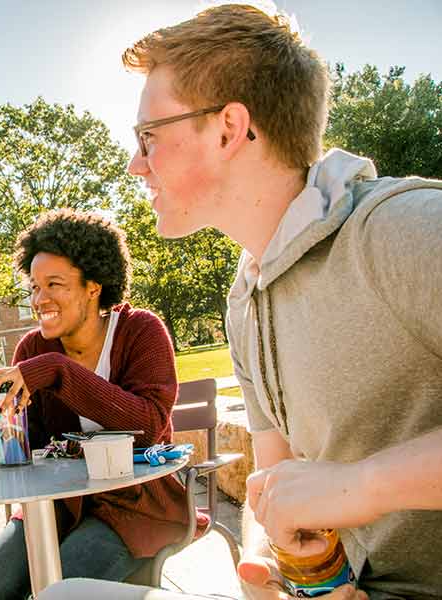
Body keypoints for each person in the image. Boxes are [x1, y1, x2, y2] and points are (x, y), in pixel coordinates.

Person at [118, 4, 441, 599]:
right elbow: (274, 479)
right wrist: (272, 563)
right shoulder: (244, 300)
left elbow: (335, 488)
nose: (137, 164)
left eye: (148, 136)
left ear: (228, 128)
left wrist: (362, 485)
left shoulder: (401, 231)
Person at [0, 209, 207, 600]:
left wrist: (56, 370)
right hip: (60, 503)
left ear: (93, 285)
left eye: (54, 284)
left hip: (137, 502)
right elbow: (34, 444)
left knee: (68, 582)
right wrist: (2, 421)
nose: (39, 298)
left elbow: (148, 424)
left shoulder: (140, 331)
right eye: (34, 287)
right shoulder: (33, 348)